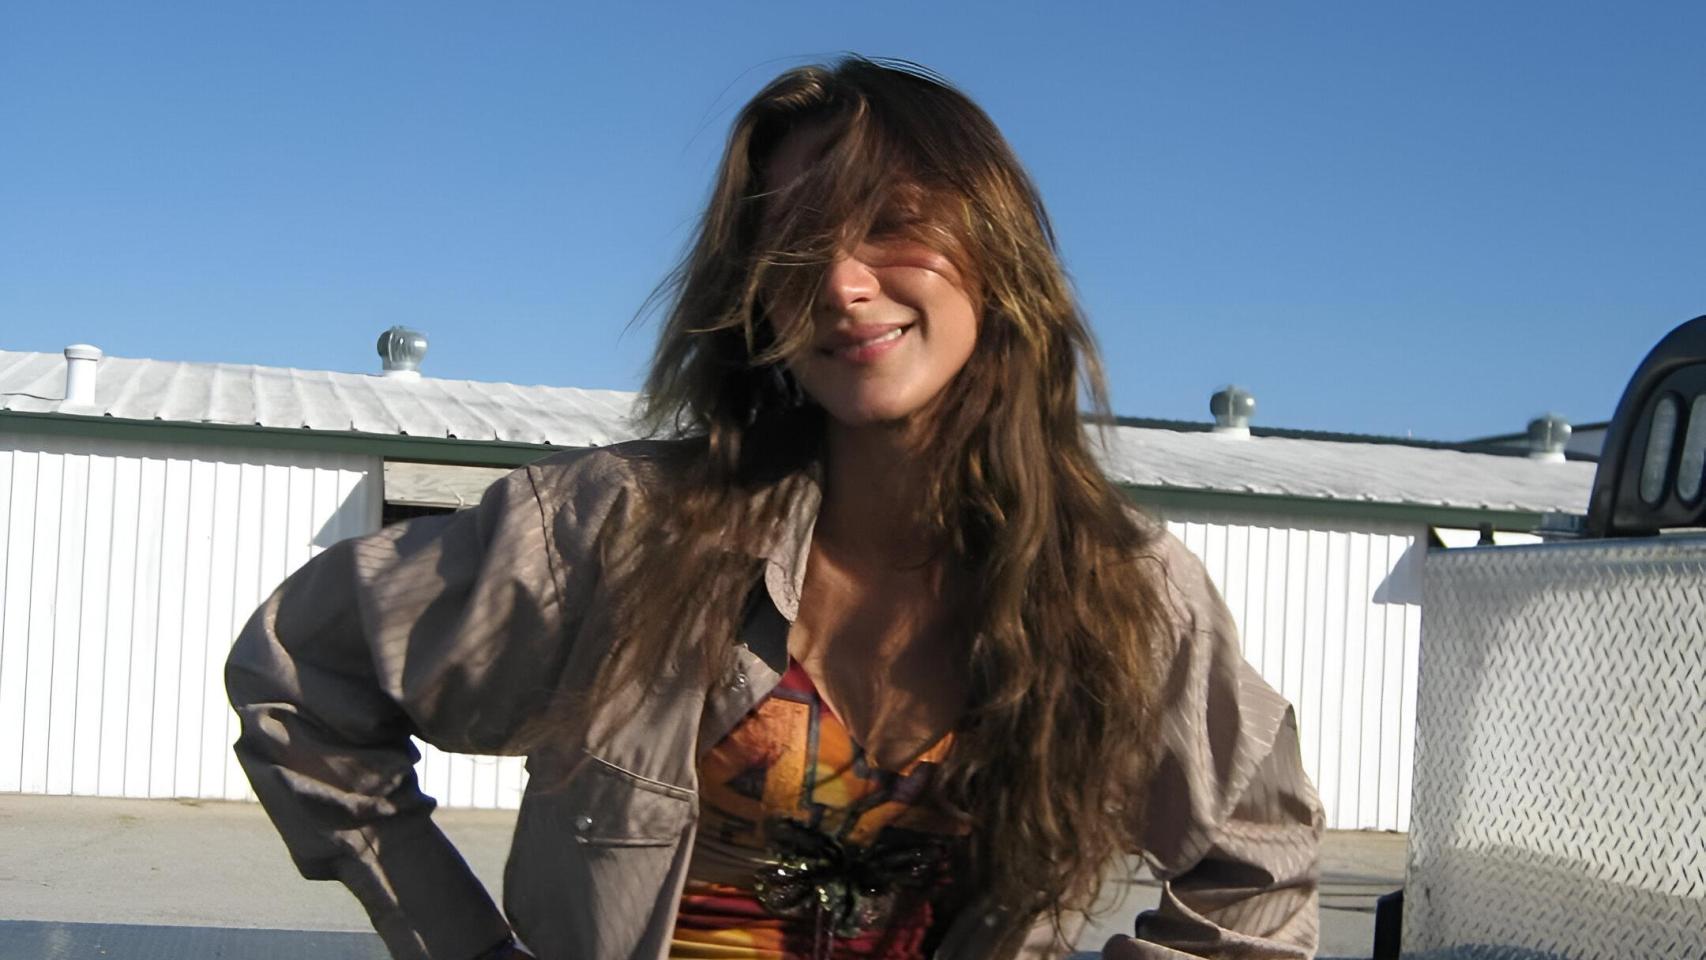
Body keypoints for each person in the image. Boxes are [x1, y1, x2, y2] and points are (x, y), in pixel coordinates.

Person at [226, 56, 1322, 960]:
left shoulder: (1120, 593)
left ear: (995, 248)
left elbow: (1258, 878)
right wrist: (460, 942)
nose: (841, 283)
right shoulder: (621, 530)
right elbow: (302, 676)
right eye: (794, 244)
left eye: (891, 223)